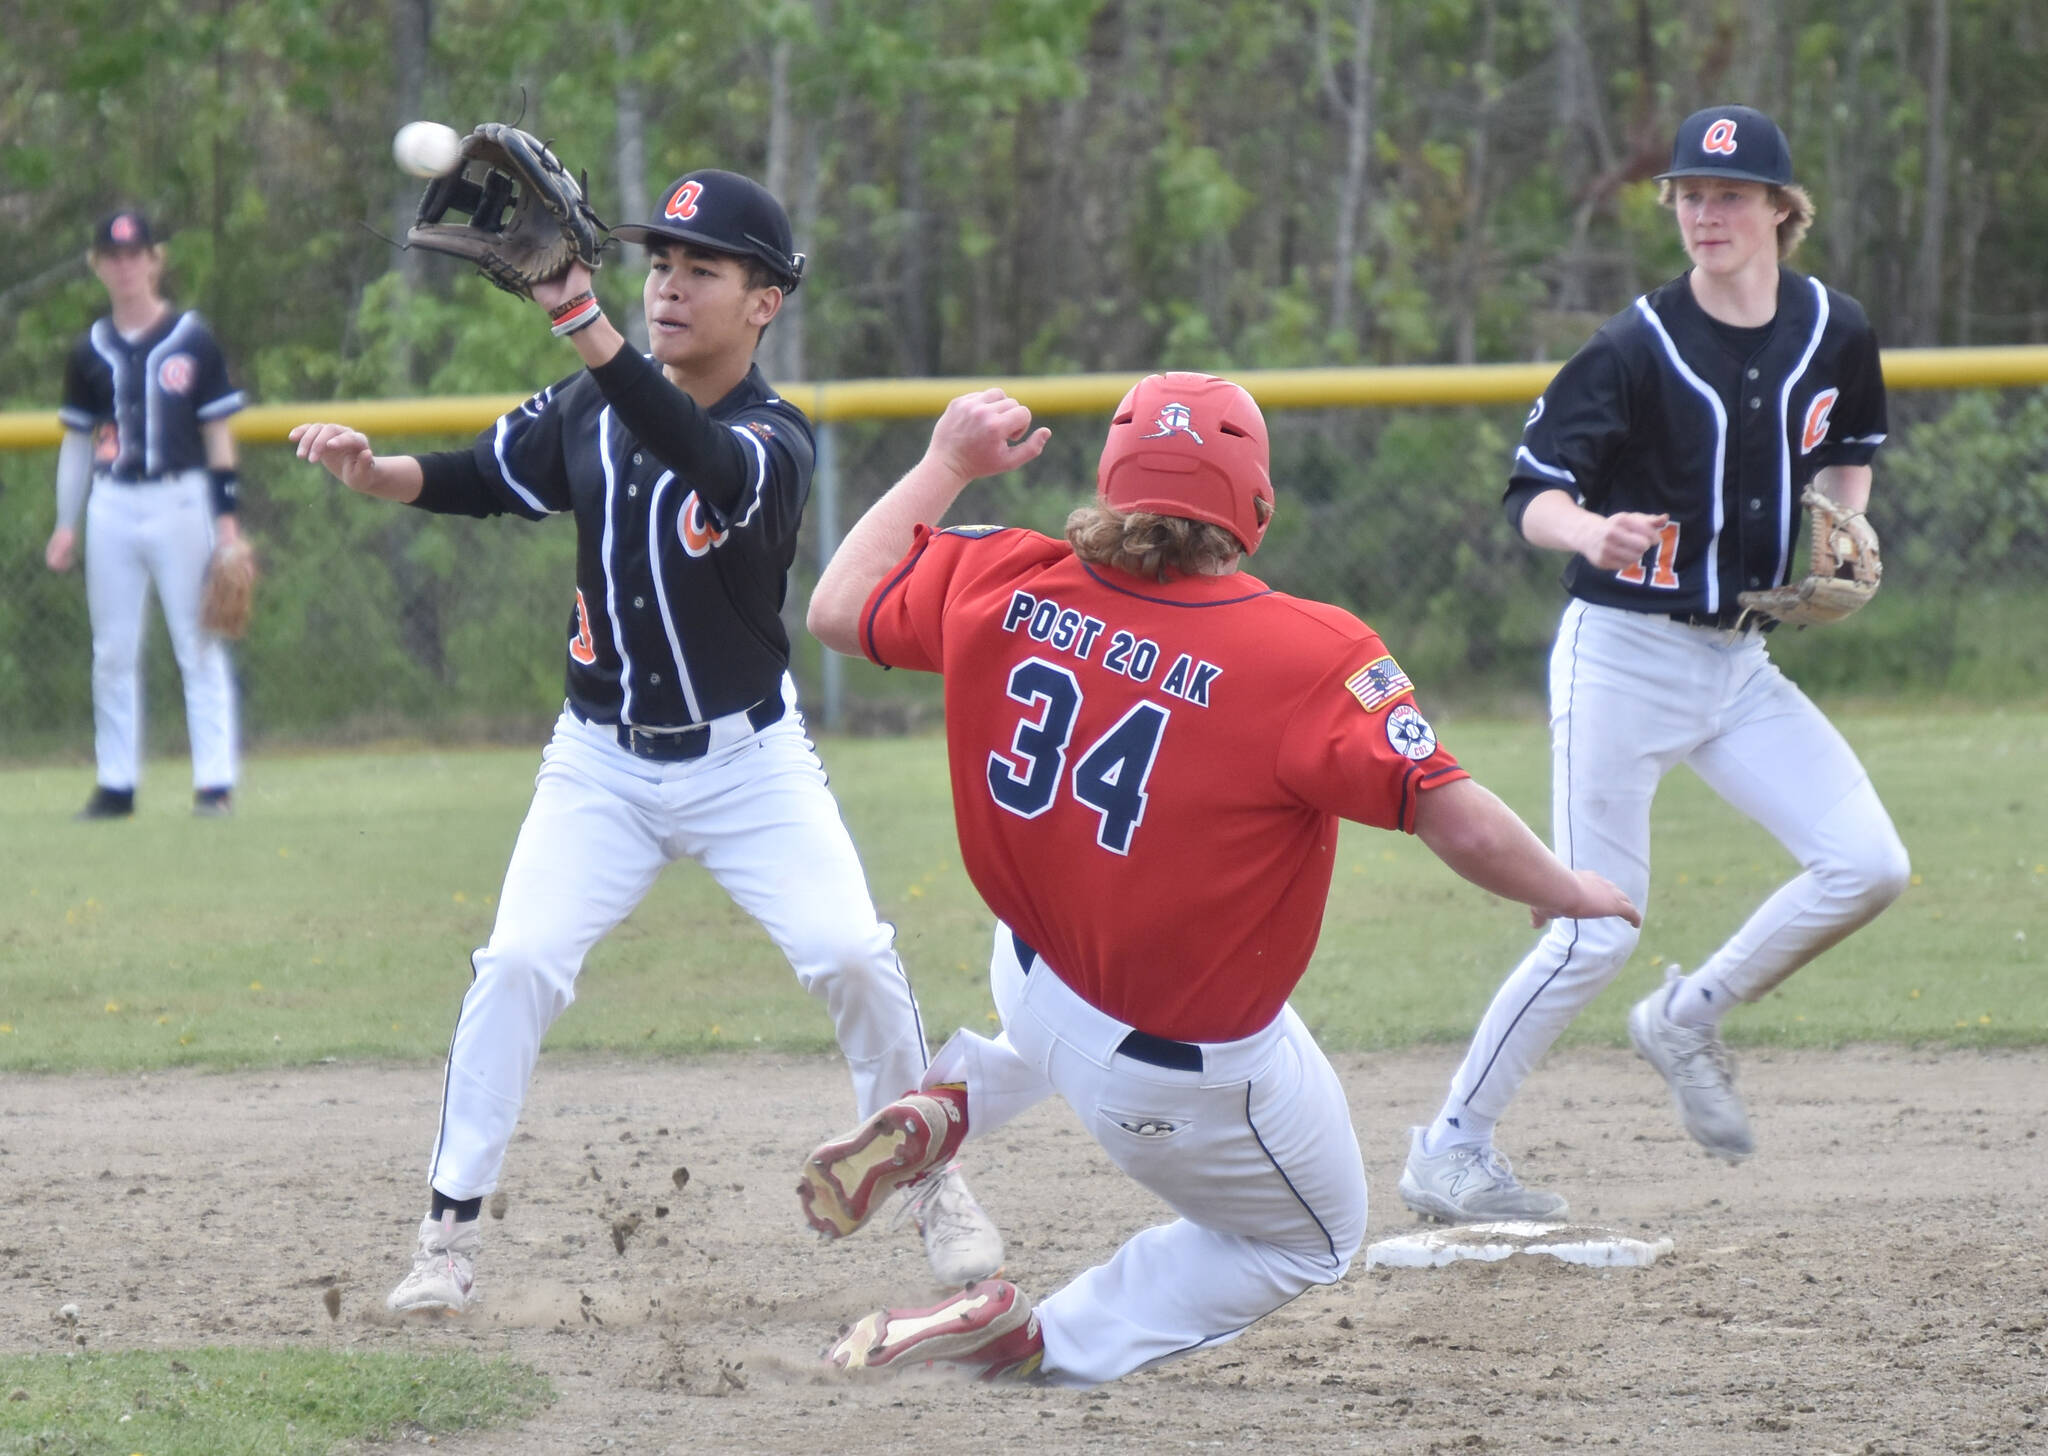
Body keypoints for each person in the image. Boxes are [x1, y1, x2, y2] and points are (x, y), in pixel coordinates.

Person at [794, 372, 1640, 1384]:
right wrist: (1565, 886)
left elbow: (836, 609)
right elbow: (1450, 814)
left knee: (1077, 949)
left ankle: (954, 1099)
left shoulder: (1003, 574)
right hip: (1170, 1075)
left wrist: (944, 465)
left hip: (1030, 972)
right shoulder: (1308, 653)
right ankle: (1029, 1339)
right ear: (1255, 508)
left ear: (1110, 486)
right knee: (1312, 1238)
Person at [289, 168, 1003, 1312]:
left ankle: (931, 1179)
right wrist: (382, 475)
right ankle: (446, 1238)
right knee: (515, 964)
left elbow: (699, 457)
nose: (668, 285)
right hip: (600, 765)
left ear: (763, 301)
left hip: (746, 764)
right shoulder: (586, 402)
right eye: (658, 263)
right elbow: (487, 475)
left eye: (700, 268)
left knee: (852, 954)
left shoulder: (775, 439)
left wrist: (587, 325)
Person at [1397, 104, 1912, 1225]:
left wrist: (1838, 527)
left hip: (1741, 665)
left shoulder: (1835, 326)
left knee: (1865, 863)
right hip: (1620, 658)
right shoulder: (1634, 343)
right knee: (1592, 925)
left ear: (1780, 209)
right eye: (1687, 194)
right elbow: (1529, 493)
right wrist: (1586, 532)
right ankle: (1448, 1147)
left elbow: (1848, 455)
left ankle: (1686, 1015)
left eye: (1727, 194)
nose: (1703, 213)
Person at [49, 209, 246, 819]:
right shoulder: (90, 349)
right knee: (112, 649)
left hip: (181, 497)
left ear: (155, 260)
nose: (126, 264)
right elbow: (78, 443)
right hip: (112, 502)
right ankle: (117, 783)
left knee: (200, 641)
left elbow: (218, 433)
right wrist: (66, 523)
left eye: (136, 253)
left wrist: (228, 522)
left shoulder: (192, 337)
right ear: (98, 266)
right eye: (113, 255)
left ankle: (214, 782)